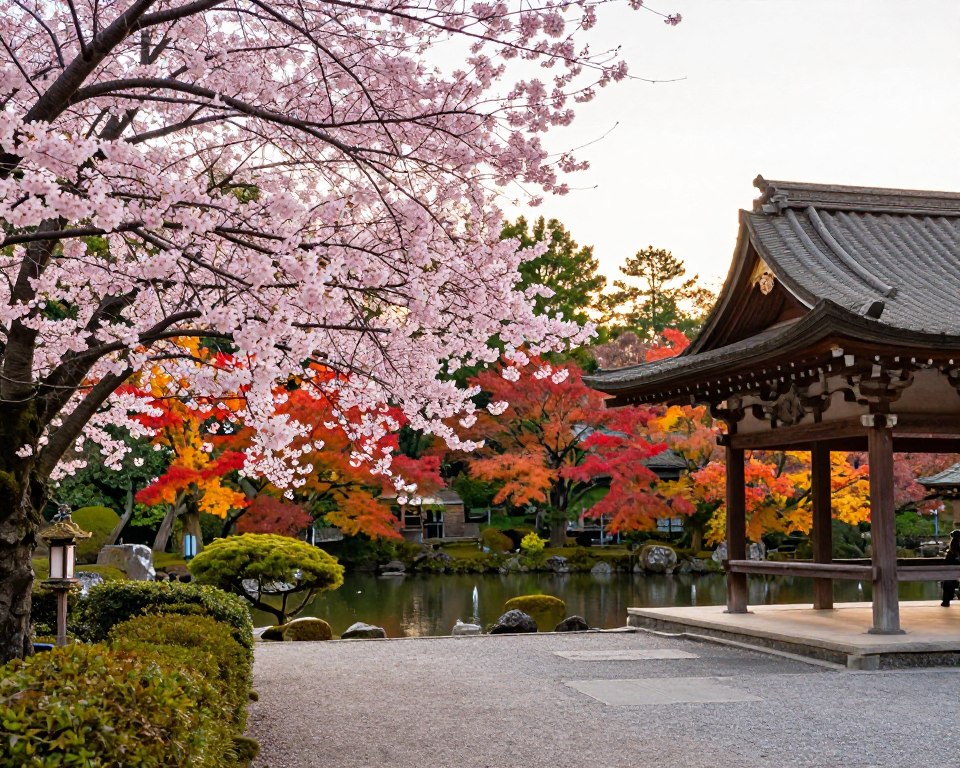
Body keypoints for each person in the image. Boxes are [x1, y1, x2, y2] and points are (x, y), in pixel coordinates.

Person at [941, 529, 960, 607]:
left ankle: (946, 601)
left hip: (949, 569)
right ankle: (947, 600)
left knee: (948, 584)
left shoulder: (951, 549)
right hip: (953, 568)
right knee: (950, 584)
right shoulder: (956, 548)